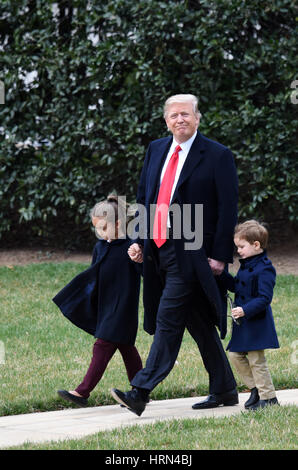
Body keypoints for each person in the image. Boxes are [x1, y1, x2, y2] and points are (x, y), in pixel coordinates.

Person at [111, 93, 239, 416]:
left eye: (186, 114)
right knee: (197, 321)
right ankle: (224, 388)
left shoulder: (217, 155)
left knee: (169, 318)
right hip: (159, 249)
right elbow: (145, 197)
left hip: (194, 249)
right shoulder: (156, 149)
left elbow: (228, 209)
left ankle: (140, 390)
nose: (180, 120)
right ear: (166, 121)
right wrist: (139, 239)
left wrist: (221, 256)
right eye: (174, 115)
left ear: (197, 118)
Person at [53, 195, 143, 406]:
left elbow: (144, 271)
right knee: (126, 348)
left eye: (103, 228)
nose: (99, 233)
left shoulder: (131, 247)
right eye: (97, 229)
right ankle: (140, 390)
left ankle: (82, 392)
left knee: (102, 345)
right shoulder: (100, 247)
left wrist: (138, 257)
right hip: (106, 305)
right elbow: (94, 274)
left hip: (123, 307)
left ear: (118, 224)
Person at [219, 220, 280, 410]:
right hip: (243, 322)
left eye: (241, 246)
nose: (238, 251)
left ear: (256, 245)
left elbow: (264, 298)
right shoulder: (246, 265)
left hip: (256, 321)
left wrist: (245, 310)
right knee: (236, 356)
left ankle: (269, 398)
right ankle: (255, 389)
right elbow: (238, 286)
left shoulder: (265, 269)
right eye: (237, 246)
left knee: (256, 360)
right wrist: (221, 274)